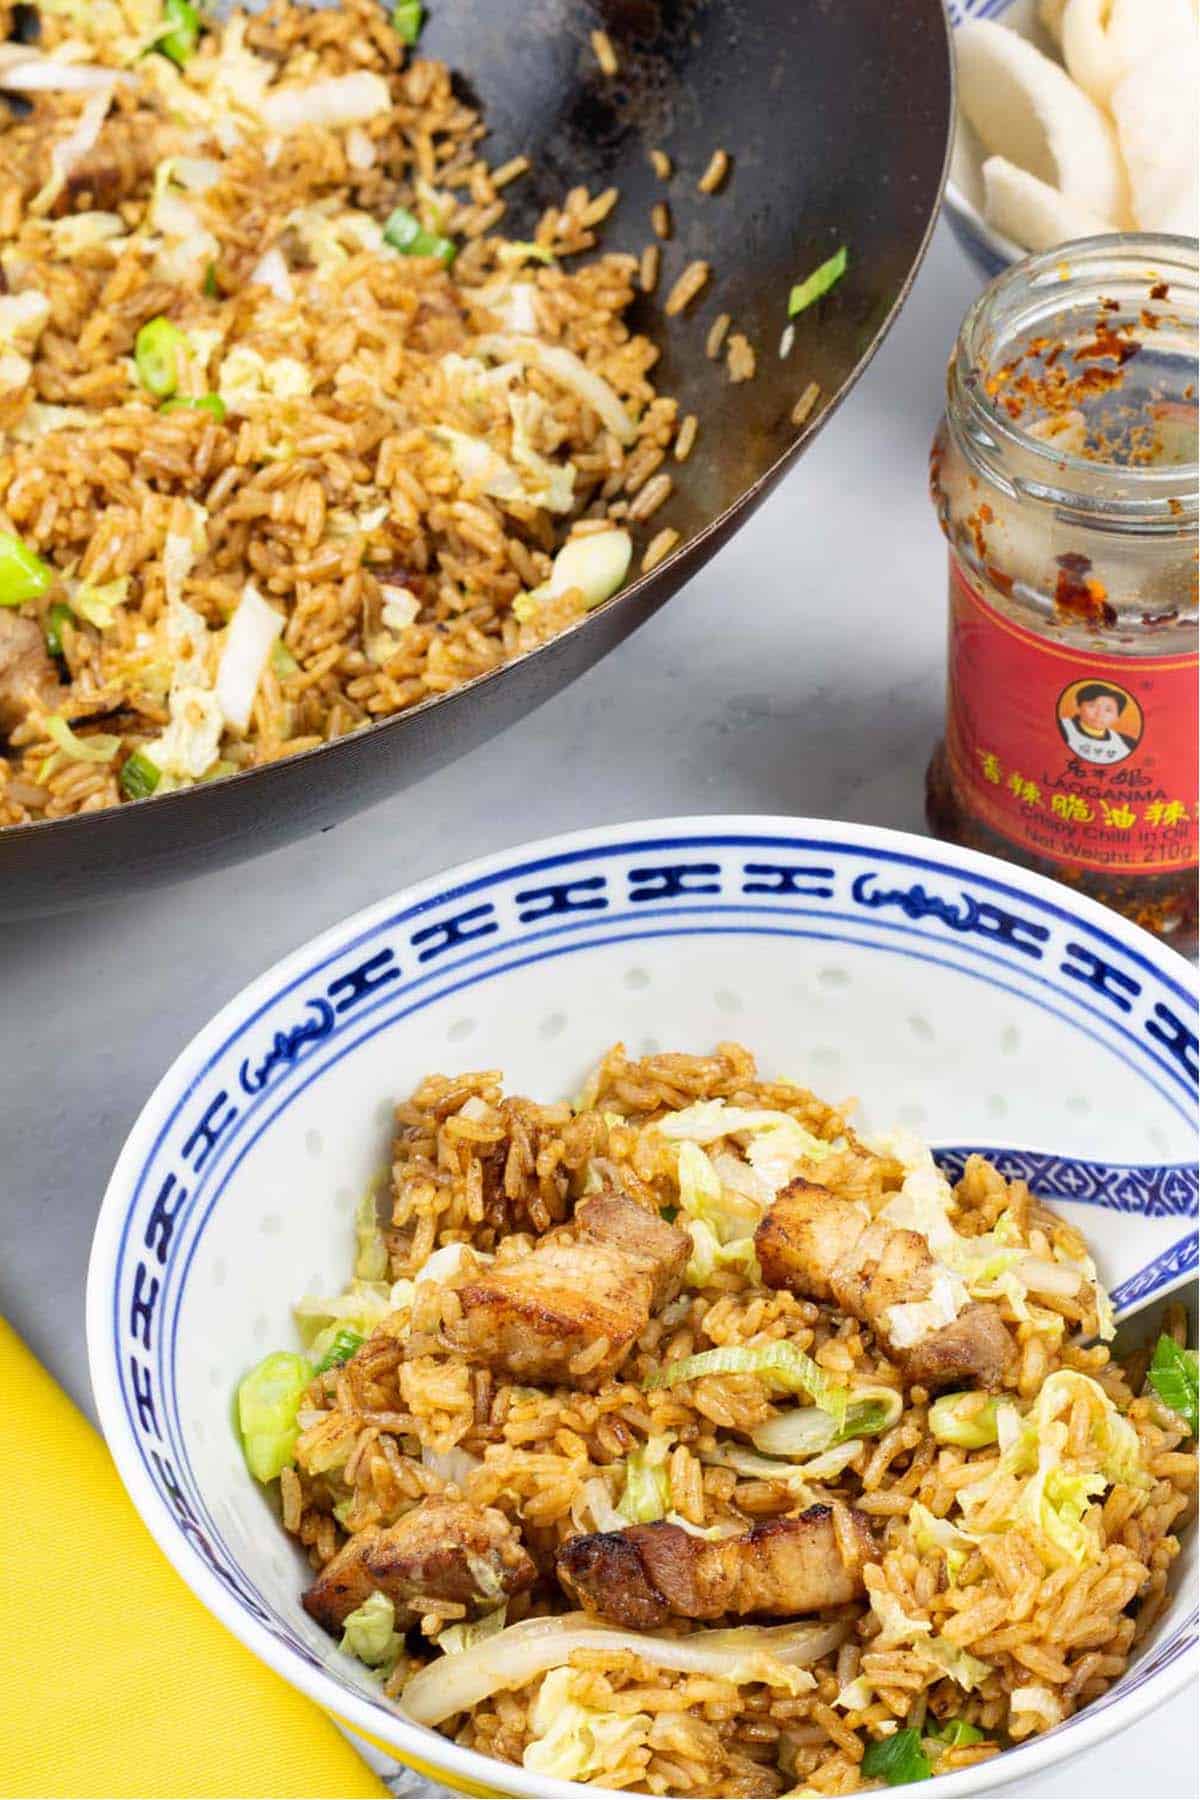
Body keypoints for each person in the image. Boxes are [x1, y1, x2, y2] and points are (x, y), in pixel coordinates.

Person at [1059, 682, 1139, 765]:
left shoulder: (1127, 743)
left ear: (1117, 717)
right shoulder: (1062, 728)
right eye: (1092, 706)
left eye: (1108, 710)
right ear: (1078, 707)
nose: (1099, 714)